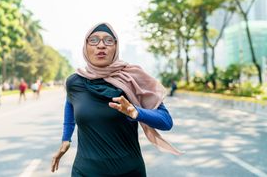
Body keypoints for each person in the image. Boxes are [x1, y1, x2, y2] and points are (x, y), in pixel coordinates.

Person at [51, 23, 183, 177]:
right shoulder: (75, 82)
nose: (101, 45)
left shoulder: (132, 79)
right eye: (93, 40)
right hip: (85, 171)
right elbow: (70, 106)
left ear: (116, 46)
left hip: (129, 172)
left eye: (108, 40)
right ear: (85, 46)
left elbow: (166, 122)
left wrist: (136, 112)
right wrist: (66, 139)